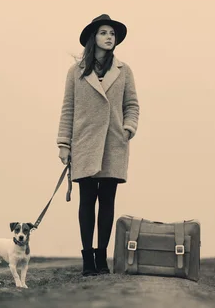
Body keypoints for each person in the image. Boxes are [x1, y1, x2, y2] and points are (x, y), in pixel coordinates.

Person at [56, 14, 140, 276]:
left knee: (107, 201)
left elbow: (132, 105)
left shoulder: (124, 71)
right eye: (104, 32)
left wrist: (128, 128)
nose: (109, 37)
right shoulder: (76, 72)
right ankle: (87, 259)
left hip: (114, 143)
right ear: (93, 37)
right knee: (87, 200)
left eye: (112, 34)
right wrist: (63, 144)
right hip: (85, 143)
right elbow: (68, 108)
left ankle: (102, 257)